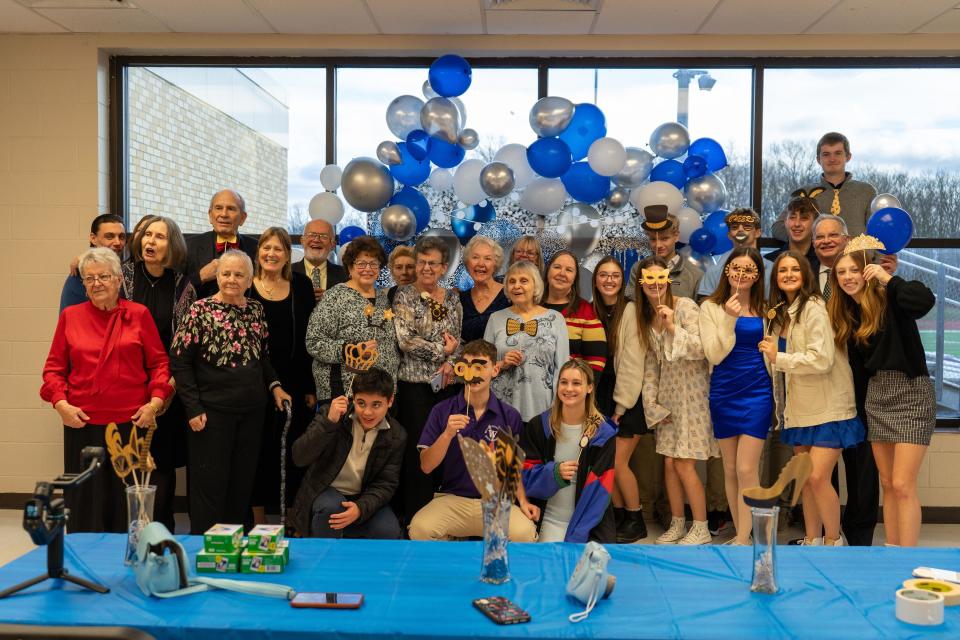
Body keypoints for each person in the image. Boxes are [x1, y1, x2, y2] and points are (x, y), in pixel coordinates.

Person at [41, 248, 172, 533]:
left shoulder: (139, 315)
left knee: (126, 504)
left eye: (104, 276)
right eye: (89, 278)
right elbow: (53, 369)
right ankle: (85, 562)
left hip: (132, 424)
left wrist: (154, 404)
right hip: (82, 423)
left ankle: (128, 562)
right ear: (84, 285)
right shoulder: (71, 316)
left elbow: (160, 364)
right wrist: (61, 405)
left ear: (118, 280)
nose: (97, 283)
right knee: (85, 502)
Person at [170, 250, 292, 534]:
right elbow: (179, 360)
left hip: (251, 412)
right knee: (209, 486)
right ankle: (204, 545)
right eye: (226, 274)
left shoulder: (255, 310)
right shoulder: (199, 310)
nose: (231, 280)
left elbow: (262, 358)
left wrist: (275, 385)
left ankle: (235, 545)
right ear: (217, 277)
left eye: (239, 275)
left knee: (241, 485)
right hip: (211, 414)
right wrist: (193, 408)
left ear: (250, 280)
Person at [828, 249, 935, 547]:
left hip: (911, 392)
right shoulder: (848, 314)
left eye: (853, 270)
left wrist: (888, 278)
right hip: (876, 397)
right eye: (841, 273)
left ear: (866, 271)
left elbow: (925, 300)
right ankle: (891, 551)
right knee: (887, 483)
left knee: (902, 484)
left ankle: (907, 555)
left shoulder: (892, 298)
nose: (848, 277)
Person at [760, 251, 865, 546]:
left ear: (806, 275)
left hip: (829, 407)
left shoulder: (815, 308)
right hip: (801, 408)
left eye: (795, 269)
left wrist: (778, 357)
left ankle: (834, 541)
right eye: (783, 271)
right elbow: (776, 364)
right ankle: (811, 539)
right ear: (776, 278)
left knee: (818, 478)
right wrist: (773, 355)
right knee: (806, 480)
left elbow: (821, 360)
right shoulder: (782, 312)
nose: (789, 275)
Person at [409, 339, 538, 542]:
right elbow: (426, 466)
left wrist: (523, 501)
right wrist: (447, 434)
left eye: (480, 366)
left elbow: (511, 471)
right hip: (452, 500)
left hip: (494, 501)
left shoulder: (508, 415)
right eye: (466, 366)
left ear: (495, 370)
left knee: (525, 533)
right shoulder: (443, 411)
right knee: (420, 529)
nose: (473, 373)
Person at [633, 256, 720, 546]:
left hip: (693, 396)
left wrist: (672, 327)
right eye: (649, 280)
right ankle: (678, 522)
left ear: (668, 280)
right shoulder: (645, 318)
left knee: (684, 464)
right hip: (667, 399)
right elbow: (650, 365)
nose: (654, 286)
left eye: (660, 279)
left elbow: (702, 349)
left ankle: (701, 526)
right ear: (642, 283)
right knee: (669, 463)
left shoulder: (686, 307)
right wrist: (652, 405)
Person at [119, 215, 195, 531]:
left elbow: (186, 345)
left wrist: (168, 391)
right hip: (125, 384)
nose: (151, 241)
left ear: (172, 245)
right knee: (126, 460)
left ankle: (161, 530)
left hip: (166, 386)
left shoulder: (183, 286)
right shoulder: (122, 278)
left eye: (160, 237)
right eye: (147, 235)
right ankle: (128, 531)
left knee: (160, 462)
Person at [699, 247, 772, 545]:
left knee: (746, 468)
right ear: (726, 271)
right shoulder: (710, 308)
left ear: (757, 277)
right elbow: (714, 355)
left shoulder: (768, 309)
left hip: (757, 391)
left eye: (748, 270)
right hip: (724, 391)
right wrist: (730, 319)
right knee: (729, 468)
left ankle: (745, 537)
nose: (741, 274)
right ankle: (742, 532)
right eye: (736, 268)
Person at [248, 227, 317, 526]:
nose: (271, 254)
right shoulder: (245, 286)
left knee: (292, 452)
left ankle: (292, 518)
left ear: (288, 255)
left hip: (293, 381)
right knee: (258, 453)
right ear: (258, 252)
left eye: (278, 249)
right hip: (253, 382)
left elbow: (308, 339)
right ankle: (259, 522)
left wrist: (309, 386)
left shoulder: (300, 285)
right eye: (266, 248)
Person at [392, 236, 463, 522]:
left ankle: (444, 522)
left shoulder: (454, 298)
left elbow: (459, 341)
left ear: (444, 267)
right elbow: (405, 339)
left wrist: (453, 363)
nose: (426, 268)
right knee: (417, 456)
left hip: (448, 389)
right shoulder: (405, 295)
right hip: (415, 391)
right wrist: (441, 352)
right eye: (421, 262)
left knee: (447, 454)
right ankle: (414, 520)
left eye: (432, 263)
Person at [290, 368, 406, 539]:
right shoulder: (332, 414)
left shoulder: (397, 435)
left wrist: (360, 508)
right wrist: (328, 423)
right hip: (327, 489)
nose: (367, 412)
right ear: (353, 398)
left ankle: (356, 553)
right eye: (361, 403)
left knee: (389, 531)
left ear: (389, 401)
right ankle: (326, 557)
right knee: (331, 510)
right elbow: (299, 457)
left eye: (376, 405)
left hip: (364, 495)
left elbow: (386, 484)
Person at [521, 359, 616, 543]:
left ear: (589, 387)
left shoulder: (603, 433)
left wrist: (578, 534)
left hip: (586, 524)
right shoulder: (539, 426)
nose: (569, 389)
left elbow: (600, 492)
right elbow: (524, 477)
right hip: (546, 519)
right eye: (563, 382)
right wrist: (554, 473)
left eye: (576, 383)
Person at [591, 256, 648, 543]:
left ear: (622, 280)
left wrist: (621, 406)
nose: (609, 280)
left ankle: (636, 519)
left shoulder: (630, 310)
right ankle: (616, 518)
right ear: (595, 279)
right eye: (603, 275)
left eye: (615, 275)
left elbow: (632, 362)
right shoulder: (593, 310)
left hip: (626, 399)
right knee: (603, 464)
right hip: (599, 398)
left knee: (618, 462)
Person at [305, 236, 400, 405]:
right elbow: (314, 342)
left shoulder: (383, 299)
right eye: (361, 263)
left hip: (381, 393)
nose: (368, 269)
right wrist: (350, 350)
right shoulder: (335, 297)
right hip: (345, 392)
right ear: (350, 267)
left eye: (373, 263)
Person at [484, 261, 569, 421]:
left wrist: (558, 408)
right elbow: (482, 366)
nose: (517, 286)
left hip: (542, 409)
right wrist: (502, 363)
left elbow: (563, 368)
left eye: (524, 281)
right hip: (501, 409)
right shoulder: (495, 319)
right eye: (512, 281)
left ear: (535, 285)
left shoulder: (556, 319)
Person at [773, 132, 877, 242]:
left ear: (848, 157)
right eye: (826, 154)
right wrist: (808, 243)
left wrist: (878, 259)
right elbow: (777, 227)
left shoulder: (867, 192)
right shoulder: (804, 194)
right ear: (818, 159)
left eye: (838, 153)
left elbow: (878, 232)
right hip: (815, 258)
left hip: (859, 258)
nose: (832, 159)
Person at [184, 189, 259, 299]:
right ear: (210, 215)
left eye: (231, 209)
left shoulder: (257, 248)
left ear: (242, 218)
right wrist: (201, 276)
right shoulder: (188, 246)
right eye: (218, 208)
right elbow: (174, 291)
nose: (224, 214)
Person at [543, 250, 607, 374]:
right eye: (557, 267)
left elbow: (596, 361)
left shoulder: (586, 312)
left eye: (569, 270)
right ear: (547, 271)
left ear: (575, 278)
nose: (562, 273)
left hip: (570, 389)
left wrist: (582, 388)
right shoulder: (531, 306)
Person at [626, 207, 703, 299]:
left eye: (664, 238)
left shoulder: (695, 275)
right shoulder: (638, 269)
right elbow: (630, 303)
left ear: (676, 236)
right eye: (653, 239)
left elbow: (698, 311)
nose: (658, 245)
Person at [697, 208, 773, 300]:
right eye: (735, 227)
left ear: (757, 233)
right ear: (729, 235)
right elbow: (705, 306)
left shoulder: (773, 269)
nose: (740, 230)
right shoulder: (714, 271)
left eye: (747, 226)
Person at [59, 214, 127, 313]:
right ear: (93, 238)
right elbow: (70, 320)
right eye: (109, 236)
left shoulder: (125, 268)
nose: (117, 242)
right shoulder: (81, 274)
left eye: (121, 237)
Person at [459, 235, 509, 343]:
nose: (481, 264)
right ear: (468, 263)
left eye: (487, 258)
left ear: (495, 264)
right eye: (475, 257)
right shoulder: (460, 299)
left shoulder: (509, 295)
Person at [293, 218, 347, 303]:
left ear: (333, 245)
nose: (316, 240)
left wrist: (331, 300)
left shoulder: (345, 275)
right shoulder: (287, 272)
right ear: (302, 241)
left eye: (324, 236)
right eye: (312, 235)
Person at [767, 192, 820, 274]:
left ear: (815, 224)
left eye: (804, 218)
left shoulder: (822, 261)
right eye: (792, 218)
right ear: (785, 222)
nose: (797, 224)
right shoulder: (770, 261)